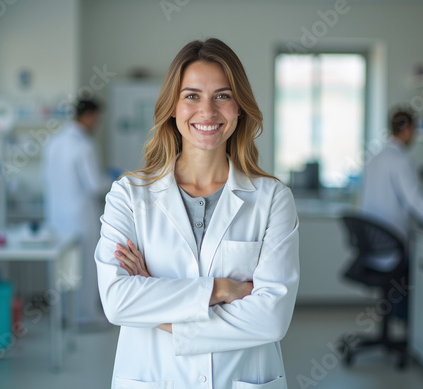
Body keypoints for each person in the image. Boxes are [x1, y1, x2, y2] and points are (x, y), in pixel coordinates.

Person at [95, 38, 299, 388]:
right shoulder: (128, 196)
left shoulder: (272, 199)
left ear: (239, 107)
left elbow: (272, 319)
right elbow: (117, 303)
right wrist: (220, 289)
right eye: (192, 95)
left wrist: (153, 298)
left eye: (222, 95)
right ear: (172, 107)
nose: (208, 111)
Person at [43, 99, 111, 327]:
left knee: (62, 268)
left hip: (56, 217)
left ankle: (63, 314)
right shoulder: (85, 145)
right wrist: (115, 178)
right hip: (80, 217)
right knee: (84, 266)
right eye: (97, 119)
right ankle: (85, 315)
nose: (97, 124)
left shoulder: (54, 142)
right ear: (89, 116)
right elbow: (95, 185)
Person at [360, 107, 423, 247]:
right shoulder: (401, 160)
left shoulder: (374, 157)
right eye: (415, 130)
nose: (415, 136)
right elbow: (414, 199)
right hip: (391, 239)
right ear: (407, 129)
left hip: (371, 239)